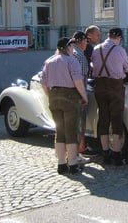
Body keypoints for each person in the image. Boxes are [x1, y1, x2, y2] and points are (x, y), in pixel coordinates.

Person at [40, 37, 88, 175]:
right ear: (67, 48)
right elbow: (78, 81)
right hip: (70, 97)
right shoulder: (72, 61)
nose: (73, 49)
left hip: (54, 96)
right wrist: (84, 97)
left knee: (59, 131)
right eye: (71, 46)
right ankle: (72, 164)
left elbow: (43, 83)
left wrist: (51, 95)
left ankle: (61, 164)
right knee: (71, 131)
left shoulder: (49, 61)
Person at [90, 27, 128, 166]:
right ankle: (117, 154)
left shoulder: (96, 49)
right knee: (116, 119)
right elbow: (126, 68)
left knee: (103, 118)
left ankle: (105, 153)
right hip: (115, 86)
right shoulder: (120, 50)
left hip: (100, 85)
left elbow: (93, 67)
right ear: (118, 37)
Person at [71, 30, 95, 157]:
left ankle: (71, 152)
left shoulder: (69, 53)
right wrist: (84, 95)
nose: (87, 44)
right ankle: (80, 148)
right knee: (80, 122)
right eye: (86, 41)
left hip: (67, 92)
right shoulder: (80, 56)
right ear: (81, 42)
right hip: (78, 93)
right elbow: (83, 78)